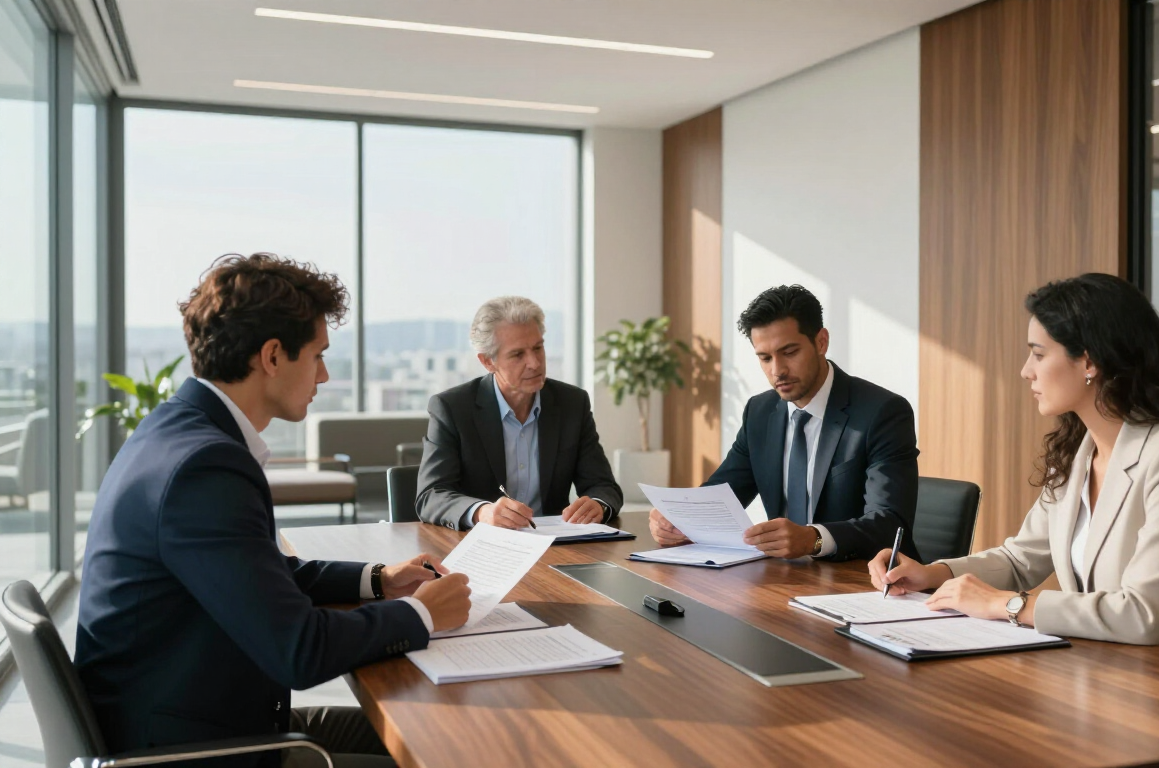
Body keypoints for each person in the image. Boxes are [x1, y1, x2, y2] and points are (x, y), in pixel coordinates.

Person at [76, 254, 473, 768]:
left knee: (441, 736)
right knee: (450, 754)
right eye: (318, 355)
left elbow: (257, 575)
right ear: (272, 356)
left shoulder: (173, 431)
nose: (325, 375)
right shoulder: (205, 466)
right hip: (195, 751)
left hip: (196, 717)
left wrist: (378, 580)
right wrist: (422, 614)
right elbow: (300, 651)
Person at [869, 273, 1159, 663]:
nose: (1026, 371)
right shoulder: (1080, 450)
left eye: (1038, 353)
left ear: (1089, 361)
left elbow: (1143, 615)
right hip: (1107, 668)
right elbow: (1020, 560)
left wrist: (1008, 606)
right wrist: (933, 575)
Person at [650, 285, 919, 562]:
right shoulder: (760, 411)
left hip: (866, 579)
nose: (777, 370)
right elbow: (724, 493)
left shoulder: (882, 412)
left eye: (789, 352)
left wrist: (814, 538)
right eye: (765, 358)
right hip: (787, 578)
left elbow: (890, 523)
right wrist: (680, 520)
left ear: (821, 342)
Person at [417, 296, 623, 530]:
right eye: (518, 355)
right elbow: (431, 495)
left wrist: (598, 505)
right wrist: (481, 512)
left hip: (556, 546)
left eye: (538, 348)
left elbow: (603, 486)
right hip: (480, 546)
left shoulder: (572, 403)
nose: (534, 363)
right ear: (487, 361)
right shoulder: (453, 408)